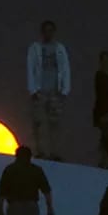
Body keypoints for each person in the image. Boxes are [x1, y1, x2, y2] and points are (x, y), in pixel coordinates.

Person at [26, 20, 71, 161]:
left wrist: (64, 90)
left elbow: (65, 69)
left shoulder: (59, 48)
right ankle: (40, 151)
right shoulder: (35, 48)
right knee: (38, 122)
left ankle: (55, 153)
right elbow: (30, 68)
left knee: (55, 124)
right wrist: (33, 90)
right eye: (46, 30)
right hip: (40, 91)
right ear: (42, 32)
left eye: (51, 30)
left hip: (55, 92)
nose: (48, 33)